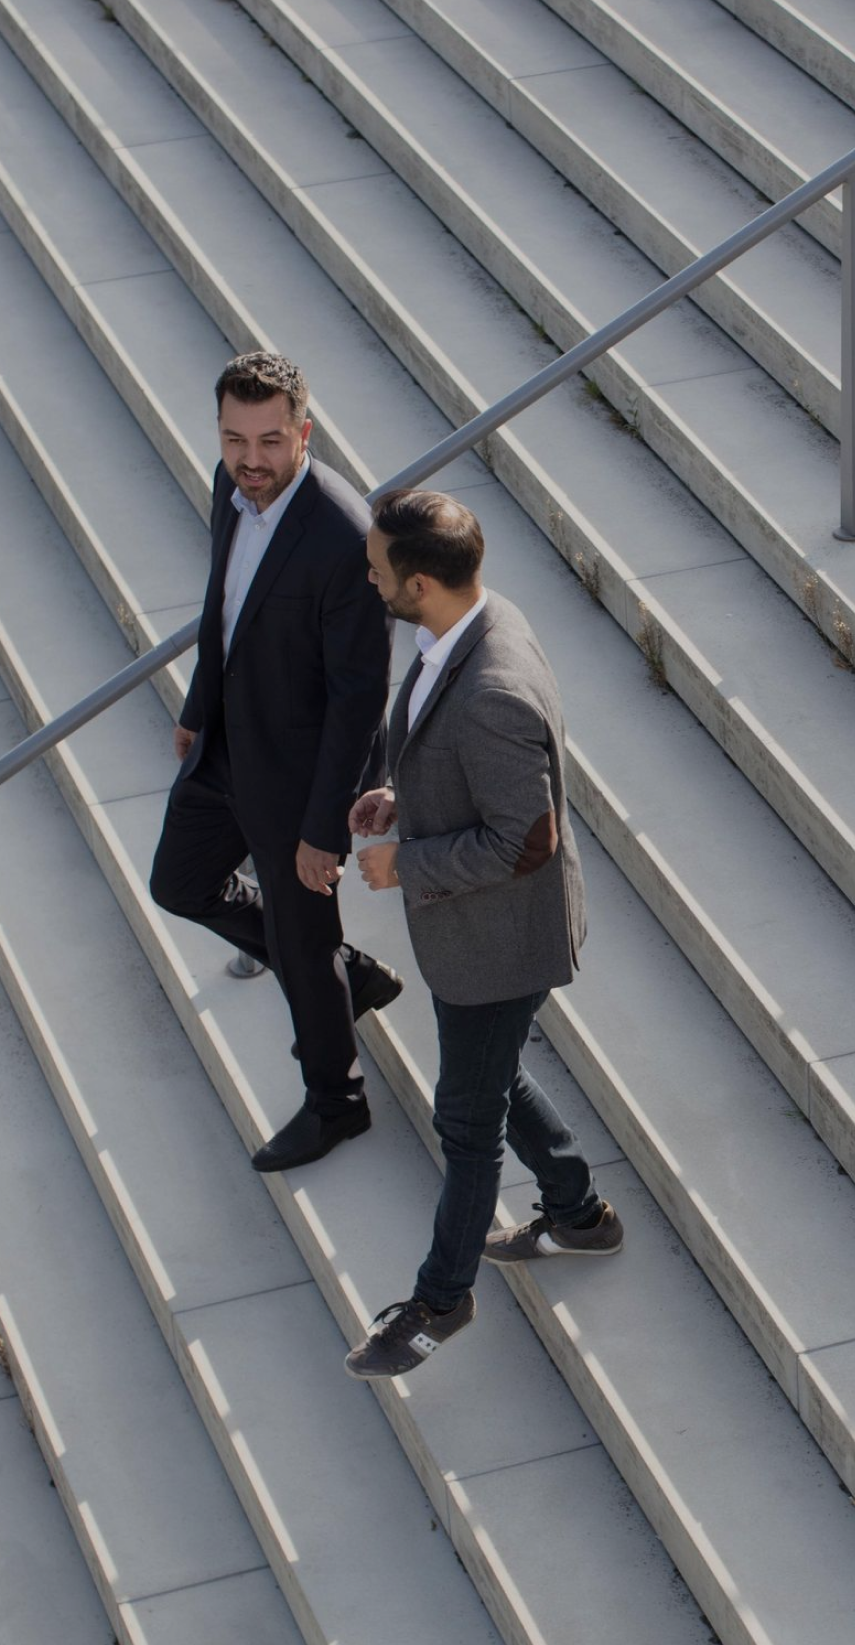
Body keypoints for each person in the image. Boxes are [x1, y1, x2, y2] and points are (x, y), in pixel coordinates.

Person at [344, 490, 622, 1380]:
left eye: (378, 568)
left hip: (501, 941)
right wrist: (405, 798)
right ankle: (578, 1211)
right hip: (479, 939)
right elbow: (463, 764)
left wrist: (406, 863)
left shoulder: (493, 688)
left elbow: (527, 840)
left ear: (420, 582)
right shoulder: (472, 619)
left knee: (465, 1120)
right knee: (488, 1077)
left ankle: (440, 1301)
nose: (369, 576)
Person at [150, 352, 401, 1173]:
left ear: (304, 431)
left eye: (267, 441)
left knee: (301, 939)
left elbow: (360, 698)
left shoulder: (341, 536)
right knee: (178, 883)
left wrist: (325, 825)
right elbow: (221, 603)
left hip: (298, 775)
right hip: (226, 743)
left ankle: (339, 1103)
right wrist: (196, 710)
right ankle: (345, 974)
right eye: (232, 440)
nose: (249, 460)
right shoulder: (234, 488)